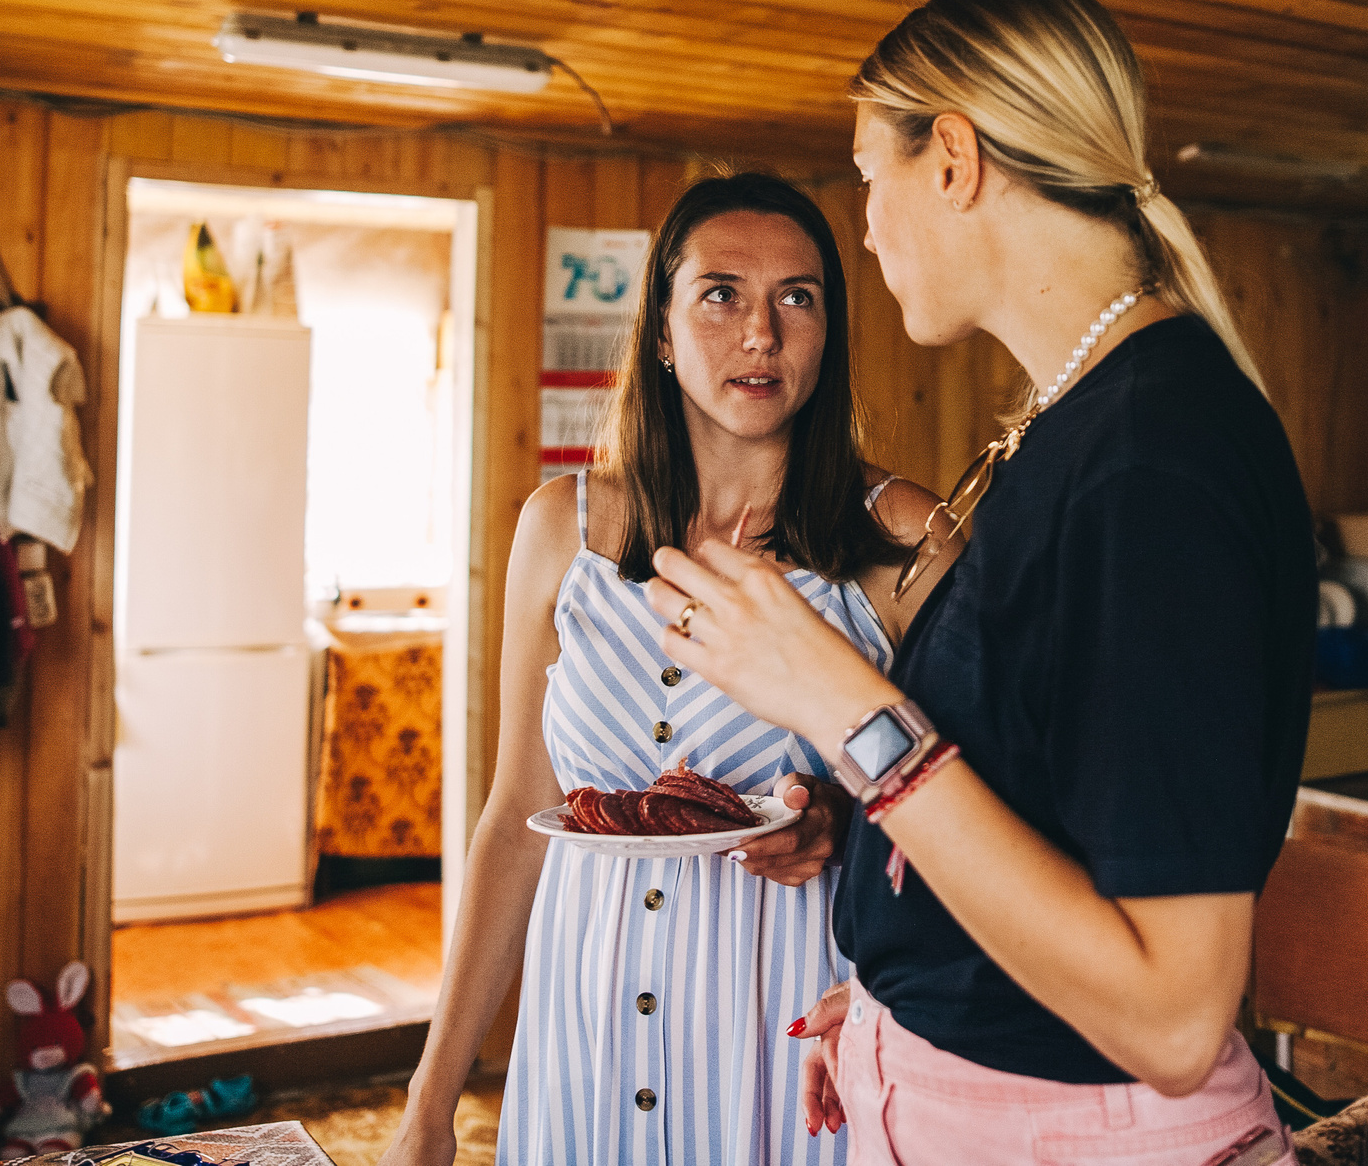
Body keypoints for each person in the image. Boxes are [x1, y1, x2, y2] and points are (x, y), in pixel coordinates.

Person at [641, 0, 1314, 1165]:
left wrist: (842, 703)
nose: (864, 225)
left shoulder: (1150, 463)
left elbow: (1170, 1013)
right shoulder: (1078, 426)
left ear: (951, 159)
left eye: (867, 178)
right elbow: (1048, 813)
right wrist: (921, 1005)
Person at [382, 173, 958, 1165]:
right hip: (581, 1048)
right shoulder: (557, 529)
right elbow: (516, 821)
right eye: (721, 293)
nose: (761, 334)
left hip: (787, 1060)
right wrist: (429, 1103)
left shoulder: (904, 540)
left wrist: (843, 822)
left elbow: (983, 816)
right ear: (659, 328)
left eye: (798, 297)